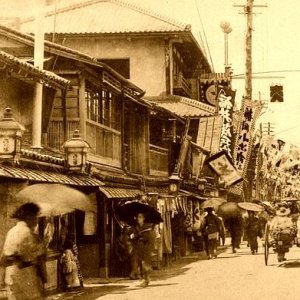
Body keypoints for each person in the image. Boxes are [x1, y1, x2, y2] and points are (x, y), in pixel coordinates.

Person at [0, 203, 47, 300]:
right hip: (25, 277)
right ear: (29, 217)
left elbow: (4, 258)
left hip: (11, 276)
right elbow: (32, 258)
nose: (37, 221)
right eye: (35, 217)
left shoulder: (12, 231)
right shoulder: (27, 233)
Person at [129, 213, 155, 288]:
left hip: (146, 247)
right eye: (137, 217)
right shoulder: (136, 226)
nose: (138, 218)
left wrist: (138, 235)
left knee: (144, 263)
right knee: (140, 263)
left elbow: (148, 237)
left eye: (140, 217)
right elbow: (133, 234)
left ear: (143, 218)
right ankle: (144, 279)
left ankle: (145, 279)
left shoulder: (147, 227)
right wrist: (132, 235)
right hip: (138, 247)